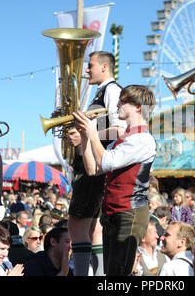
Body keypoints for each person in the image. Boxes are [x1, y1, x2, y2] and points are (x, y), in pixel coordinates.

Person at [73, 84, 156, 276]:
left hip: (129, 213)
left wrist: (93, 133)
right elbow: (93, 168)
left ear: (137, 106)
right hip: (113, 213)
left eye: (123, 101)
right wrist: (85, 137)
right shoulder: (123, 139)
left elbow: (107, 161)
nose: (117, 104)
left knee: (118, 274)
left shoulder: (143, 139)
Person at [66, 51, 126, 276]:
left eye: (90, 66)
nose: (87, 70)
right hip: (93, 165)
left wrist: (86, 135)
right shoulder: (102, 92)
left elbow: (120, 130)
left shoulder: (112, 90)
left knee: (77, 225)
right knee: (91, 227)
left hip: (96, 166)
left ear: (104, 67)